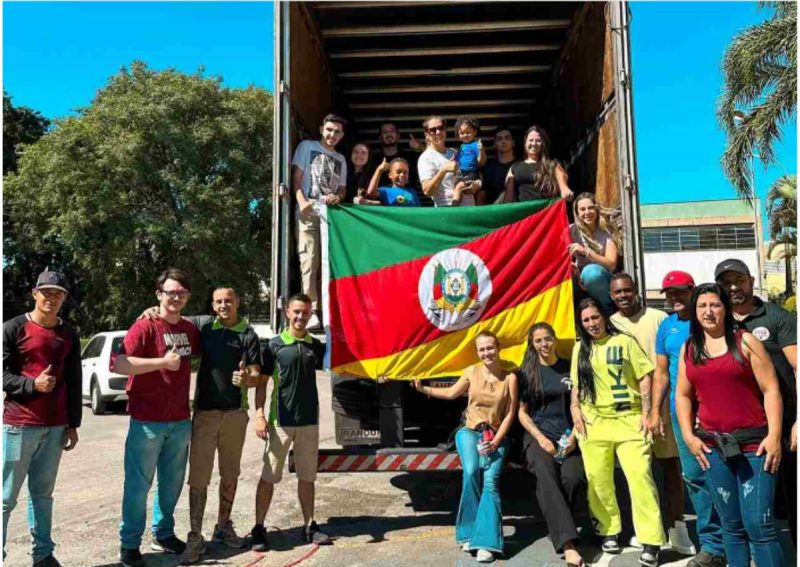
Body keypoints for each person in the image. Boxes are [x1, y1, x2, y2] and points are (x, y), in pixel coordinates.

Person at [675, 283, 784, 567]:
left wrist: (774, 436)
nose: (708, 312)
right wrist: (688, 435)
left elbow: (771, 389)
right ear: (694, 311)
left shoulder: (746, 342)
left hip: (755, 448)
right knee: (731, 527)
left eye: (715, 305)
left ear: (725, 309)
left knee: (759, 526)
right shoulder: (689, 348)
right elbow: (683, 395)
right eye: (702, 306)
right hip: (713, 449)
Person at [114, 269, 201, 567]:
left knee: (171, 484)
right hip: (147, 421)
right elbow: (120, 364)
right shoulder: (144, 326)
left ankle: (163, 533)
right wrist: (162, 362)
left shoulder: (190, 329)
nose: (175, 297)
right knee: (138, 486)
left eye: (181, 293)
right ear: (159, 295)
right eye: (170, 292)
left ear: (187, 296)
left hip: (180, 420)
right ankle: (129, 544)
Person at [570, 298, 665, 567]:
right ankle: (608, 530)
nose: (592, 324)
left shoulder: (625, 341)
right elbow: (577, 385)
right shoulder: (580, 348)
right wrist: (575, 410)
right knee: (598, 479)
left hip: (629, 418)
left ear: (604, 317)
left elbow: (644, 376)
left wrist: (647, 412)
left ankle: (651, 540)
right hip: (594, 421)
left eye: (595, 317)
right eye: (586, 320)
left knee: (640, 477)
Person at [412, 331, 518, 563]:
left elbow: (510, 413)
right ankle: (468, 533)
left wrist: (496, 442)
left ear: (498, 348)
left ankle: (487, 543)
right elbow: (451, 393)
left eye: (490, 347)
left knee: (491, 481)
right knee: (471, 472)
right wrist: (423, 389)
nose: (487, 353)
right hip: (469, 432)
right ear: (477, 352)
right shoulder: (471, 372)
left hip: (496, 435)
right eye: (482, 349)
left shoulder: (510, 377)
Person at [608, 273, 695, 556]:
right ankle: (647, 530)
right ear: (611, 296)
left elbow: (663, 367)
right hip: (629, 410)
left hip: (661, 404)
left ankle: (678, 528)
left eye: (627, 290)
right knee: (639, 474)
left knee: (670, 468)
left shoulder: (659, 318)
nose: (623, 296)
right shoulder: (610, 323)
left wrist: (656, 408)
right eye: (618, 292)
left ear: (636, 291)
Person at [714, 258, 797, 543]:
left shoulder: (776, 317)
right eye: (726, 283)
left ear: (751, 281)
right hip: (740, 426)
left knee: (791, 493)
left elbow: (797, 367)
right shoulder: (716, 322)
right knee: (749, 501)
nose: (733, 287)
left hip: (782, 420)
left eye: (739, 280)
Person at [3, 272, 82, 567]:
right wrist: (31, 385)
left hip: (56, 427)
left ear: (64, 298)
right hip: (18, 426)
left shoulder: (69, 333)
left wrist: (73, 424)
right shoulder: (13, 328)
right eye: (47, 292)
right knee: (5, 497)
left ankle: (43, 555)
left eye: (58, 293)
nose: (52, 298)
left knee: (43, 495)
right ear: (35, 293)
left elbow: (74, 381)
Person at [178, 287, 262, 564]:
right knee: (198, 477)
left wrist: (247, 378)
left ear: (238, 302)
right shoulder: (204, 327)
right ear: (213, 305)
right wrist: (152, 311)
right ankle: (195, 535)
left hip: (235, 414)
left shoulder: (248, 334)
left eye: (228, 300)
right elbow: (172, 317)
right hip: (205, 414)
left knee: (230, 473)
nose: (224, 305)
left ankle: (223, 526)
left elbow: (256, 374)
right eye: (219, 301)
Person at [650, 271, 726, 567]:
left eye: (681, 291)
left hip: (714, 410)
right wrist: (654, 411)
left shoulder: (708, 320)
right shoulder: (666, 326)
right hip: (681, 412)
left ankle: (735, 537)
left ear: (693, 291)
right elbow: (660, 373)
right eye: (670, 293)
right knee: (694, 477)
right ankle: (712, 544)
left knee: (723, 474)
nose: (675, 297)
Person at [249, 294, 331, 551]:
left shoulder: (315, 345)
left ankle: (310, 525)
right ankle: (259, 527)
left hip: (309, 422)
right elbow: (261, 384)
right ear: (287, 312)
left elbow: (342, 363)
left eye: (305, 312)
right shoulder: (273, 346)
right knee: (269, 477)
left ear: (310, 314)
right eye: (296, 311)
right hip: (280, 423)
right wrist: (259, 415)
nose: (300, 317)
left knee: (307, 477)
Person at [517, 323, 587, 567]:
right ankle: (568, 544)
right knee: (546, 474)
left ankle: (557, 523)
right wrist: (540, 438)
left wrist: (574, 437)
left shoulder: (570, 367)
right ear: (532, 344)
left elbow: (581, 405)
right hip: (538, 437)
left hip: (568, 436)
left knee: (574, 478)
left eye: (547, 339)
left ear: (555, 339)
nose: (544, 344)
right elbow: (522, 412)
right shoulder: (527, 372)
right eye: (538, 341)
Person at [292, 113, 348, 329]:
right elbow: (296, 177)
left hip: (330, 215)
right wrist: (302, 202)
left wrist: (338, 197)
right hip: (308, 212)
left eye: (337, 132)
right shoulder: (307, 147)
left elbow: (342, 188)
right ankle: (310, 310)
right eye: (329, 130)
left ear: (342, 136)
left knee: (327, 263)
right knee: (309, 260)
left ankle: (326, 310)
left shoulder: (341, 159)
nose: (332, 134)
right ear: (322, 129)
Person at [567, 192, 619, 314]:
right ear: (577, 213)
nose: (587, 212)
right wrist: (574, 269)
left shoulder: (607, 230)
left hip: (602, 279)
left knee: (591, 273)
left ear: (596, 209)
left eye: (590, 208)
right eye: (582, 209)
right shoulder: (571, 230)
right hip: (580, 279)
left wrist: (587, 253)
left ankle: (608, 312)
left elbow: (612, 264)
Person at [418, 115, 478, 207]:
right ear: (426, 134)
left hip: (469, 209)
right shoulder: (426, 158)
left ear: (445, 130)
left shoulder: (454, 152)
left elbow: (472, 171)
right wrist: (443, 170)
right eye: (432, 130)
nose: (438, 132)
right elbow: (427, 191)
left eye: (441, 128)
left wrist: (474, 186)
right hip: (447, 210)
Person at [503, 125, 573, 203]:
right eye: (531, 140)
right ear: (525, 143)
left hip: (547, 210)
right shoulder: (514, 168)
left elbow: (564, 188)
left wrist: (566, 192)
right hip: (525, 210)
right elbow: (508, 199)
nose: (534, 143)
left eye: (538, 141)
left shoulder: (553, 165)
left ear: (543, 144)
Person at [375, 121, 422, 190]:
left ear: (398, 136)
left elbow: (432, 157)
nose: (389, 134)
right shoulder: (374, 160)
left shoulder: (410, 157)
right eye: (385, 132)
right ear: (380, 137)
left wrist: (419, 147)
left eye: (392, 131)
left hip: (407, 195)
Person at [452, 116, 486, 204]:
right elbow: (458, 159)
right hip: (461, 173)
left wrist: (481, 150)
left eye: (468, 132)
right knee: (457, 187)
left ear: (475, 132)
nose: (465, 135)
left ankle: (453, 207)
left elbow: (481, 162)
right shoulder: (461, 146)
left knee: (458, 188)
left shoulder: (476, 145)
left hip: (470, 173)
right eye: (462, 133)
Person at [478, 126, 516, 205]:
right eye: (499, 139)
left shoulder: (520, 165)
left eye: (507, 138)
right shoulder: (488, 169)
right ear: (494, 144)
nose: (503, 141)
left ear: (513, 142)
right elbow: (481, 197)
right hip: (495, 210)